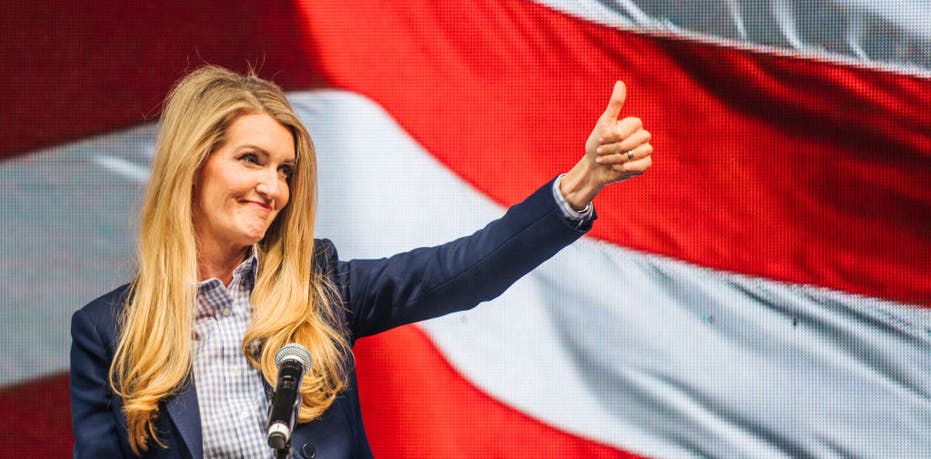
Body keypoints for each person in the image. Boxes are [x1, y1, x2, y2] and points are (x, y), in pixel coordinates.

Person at [70, 66, 653, 458]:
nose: (272, 187)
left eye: (285, 171)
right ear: (193, 165)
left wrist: (580, 184)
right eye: (252, 160)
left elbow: (462, 271)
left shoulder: (320, 287)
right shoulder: (107, 331)